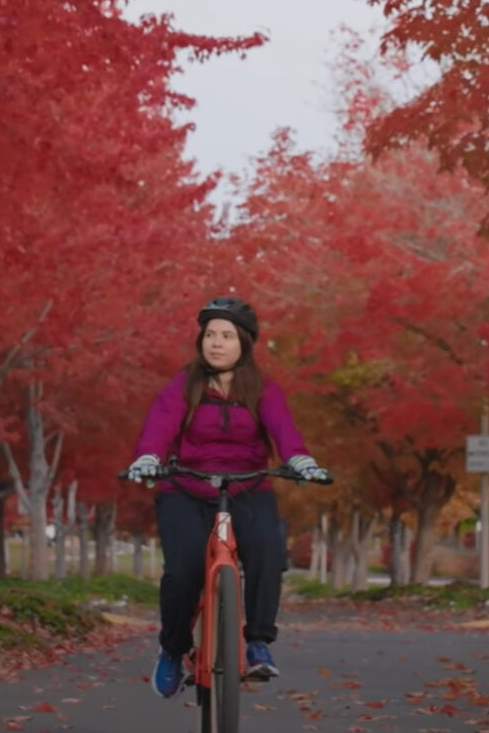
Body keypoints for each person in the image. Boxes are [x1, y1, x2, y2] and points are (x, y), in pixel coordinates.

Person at [124, 296, 329, 699]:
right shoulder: (183, 386)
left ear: (244, 344)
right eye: (211, 335)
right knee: (182, 571)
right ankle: (173, 648)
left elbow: (284, 431)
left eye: (227, 336)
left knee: (269, 552)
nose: (217, 343)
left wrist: (300, 461)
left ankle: (257, 642)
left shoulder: (263, 390)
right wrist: (148, 457)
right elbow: (160, 426)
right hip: (186, 488)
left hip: (247, 487)